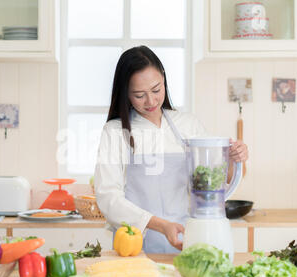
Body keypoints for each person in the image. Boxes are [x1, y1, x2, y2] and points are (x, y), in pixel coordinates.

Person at [94, 46, 248, 254]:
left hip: (189, 240)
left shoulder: (188, 125)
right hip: (135, 246)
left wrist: (233, 158)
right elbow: (108, 199)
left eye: (156, 90)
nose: (151, 101)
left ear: (164, 79)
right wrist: (161, 225)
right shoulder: (115, 132)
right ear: (125, 93)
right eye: (139, 95)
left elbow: (215, 184)